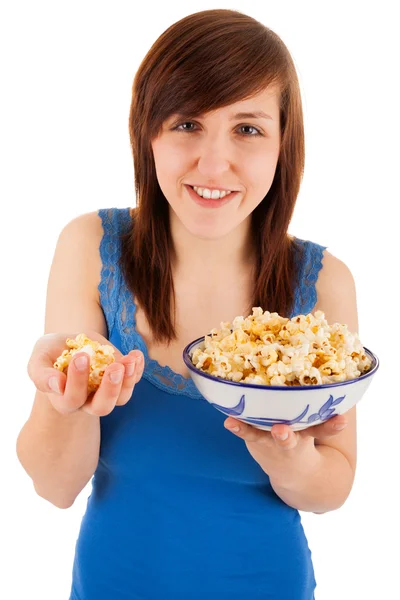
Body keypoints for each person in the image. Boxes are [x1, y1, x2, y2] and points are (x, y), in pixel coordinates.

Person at [16, 9, 359, 600]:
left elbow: (333, 488)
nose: (213, 163)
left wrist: (289, 454)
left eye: (247, 129)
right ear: (147, 132)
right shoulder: (92, 247)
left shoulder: (324, 281)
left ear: (283, 145)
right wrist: (65, 402)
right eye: (187, 124)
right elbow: (55, 485)